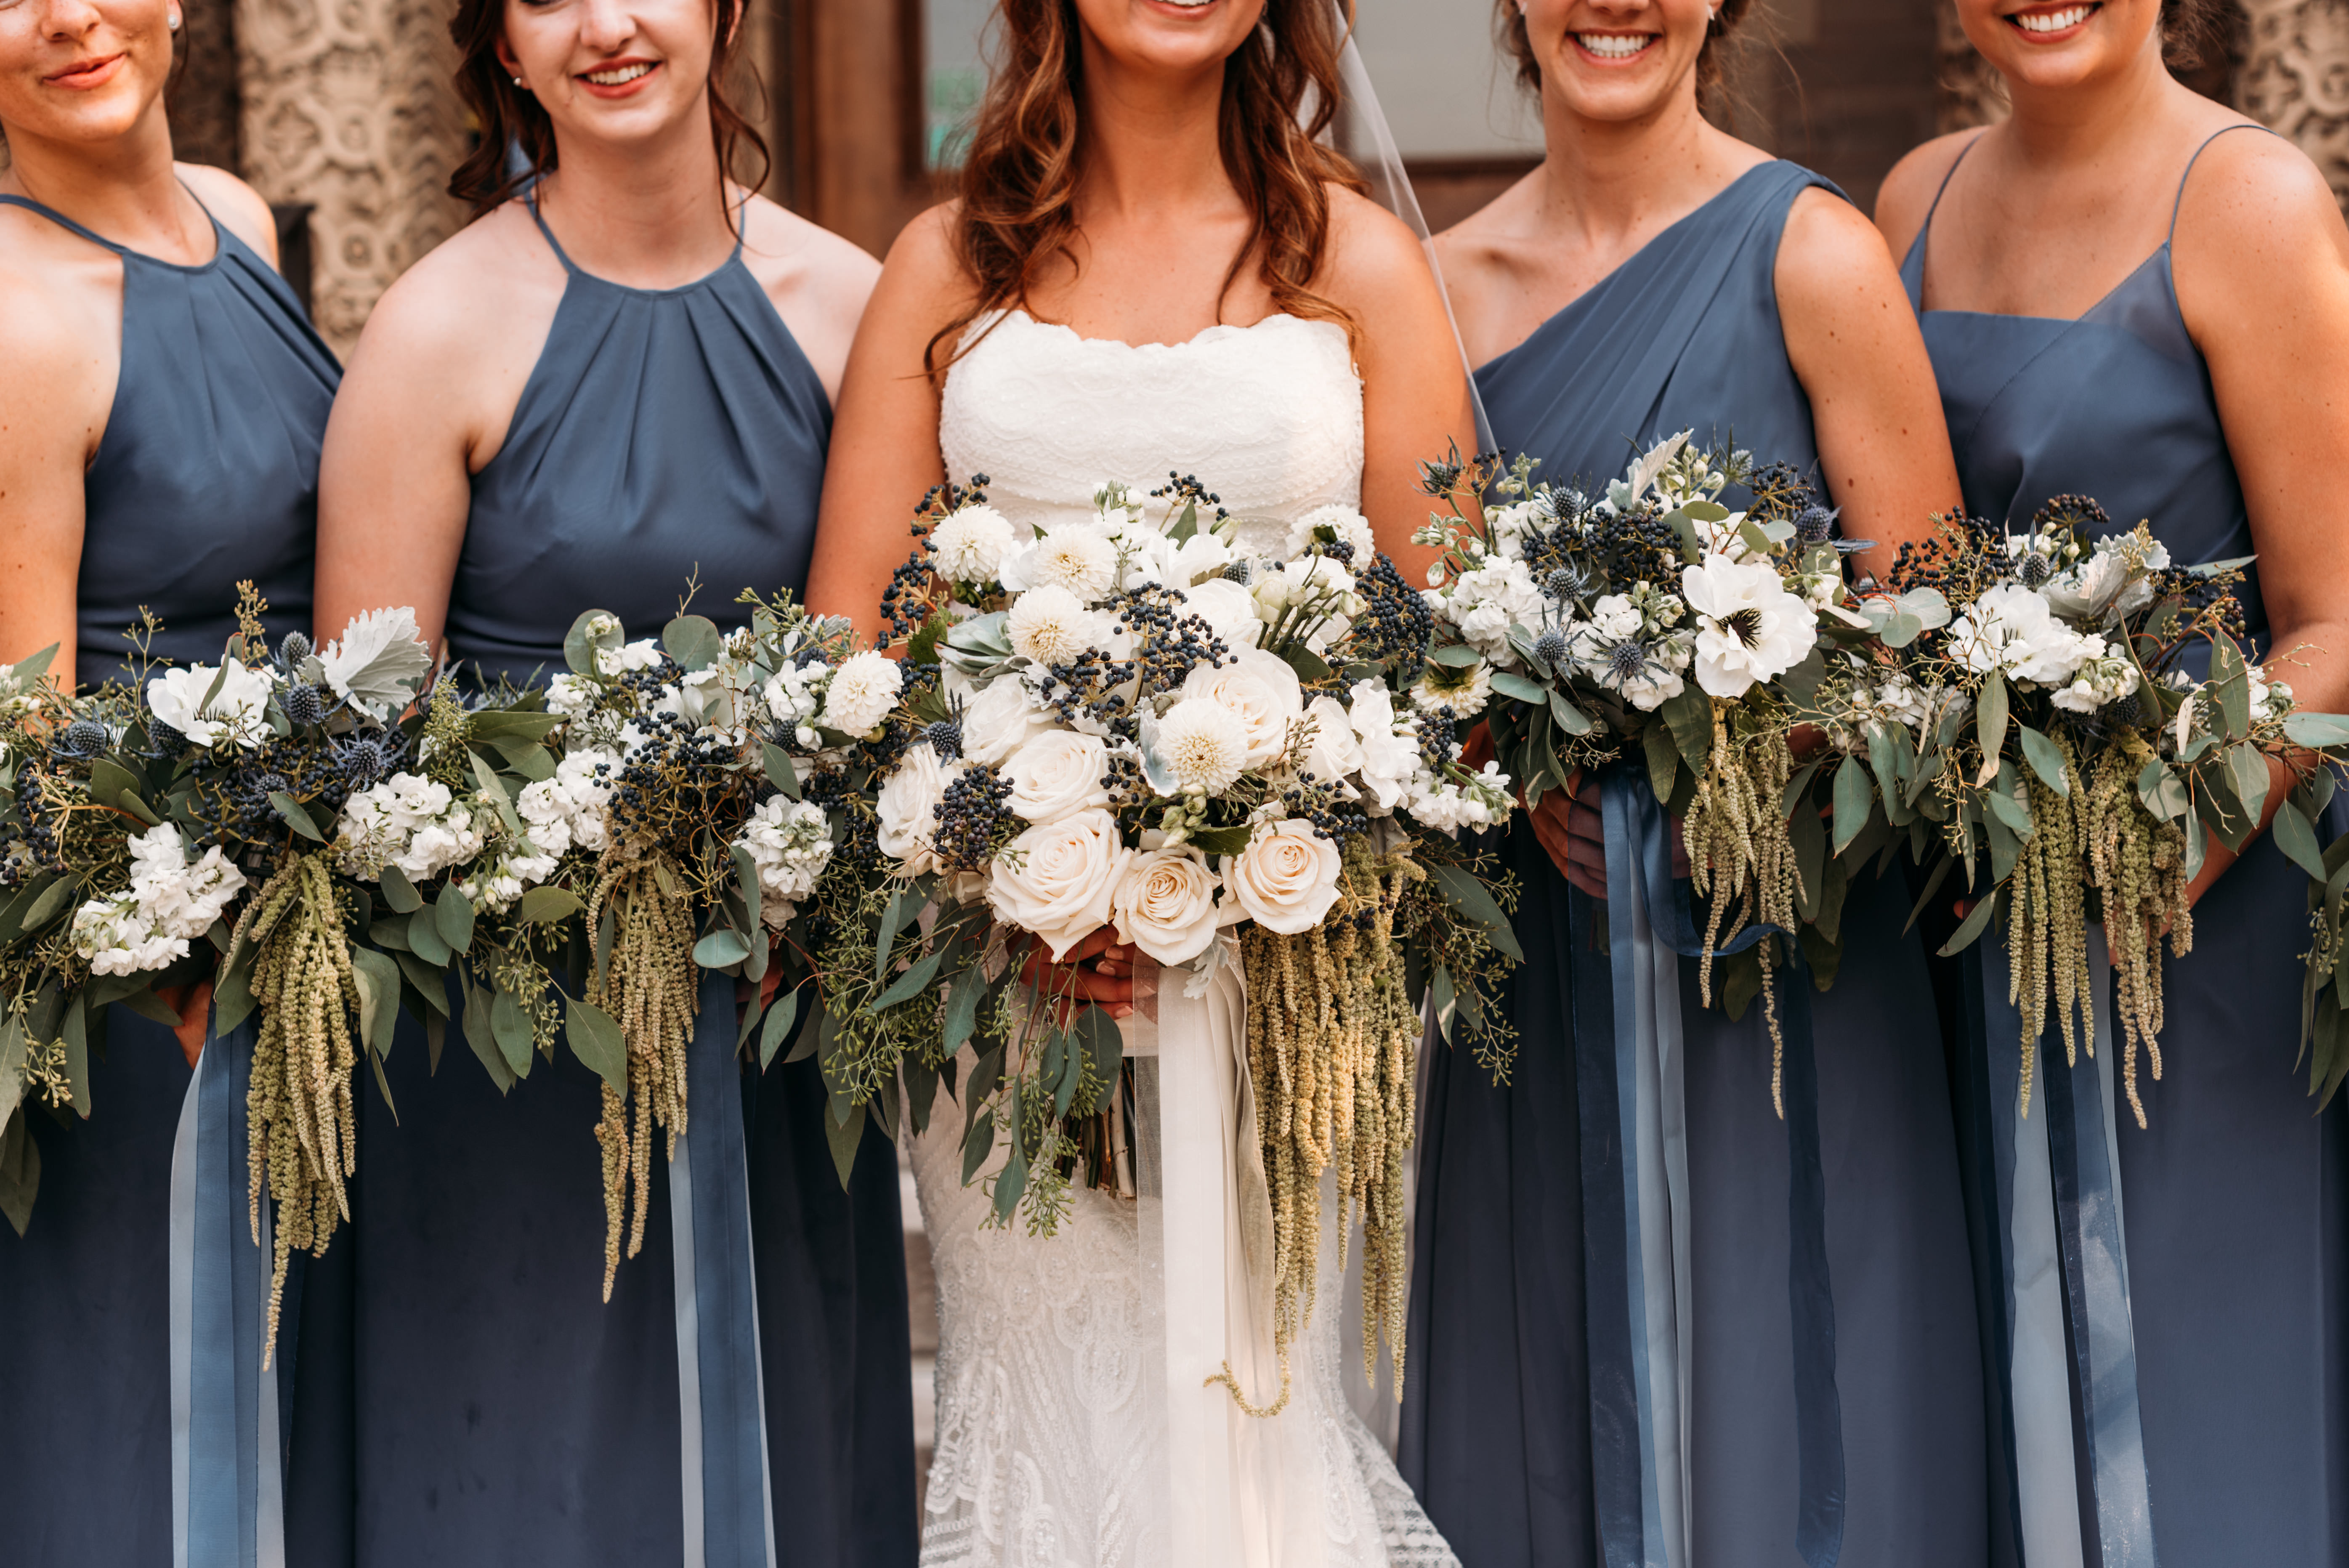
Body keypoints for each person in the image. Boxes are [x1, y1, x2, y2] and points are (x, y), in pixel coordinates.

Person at [805, 0, 1473, 1561]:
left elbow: (1446, 670)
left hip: (1291, 978)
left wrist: (1236, 877)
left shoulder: (1361, 268)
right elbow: (855, 658)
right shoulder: (946, 269)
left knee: (1258, 1420)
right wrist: (1025, 889)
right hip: (1005, 986)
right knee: (1054, 1424)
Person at [305, 0, 913, 1557]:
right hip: (517, 1040)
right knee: (538, 1474)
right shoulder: (435, 330)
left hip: (774, 1002)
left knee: (785, 1434)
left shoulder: (851, 304)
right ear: (505, 49)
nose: (609, 26)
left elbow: (891, 676)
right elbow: (368, 750)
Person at [1399, 4, 1987, 1565]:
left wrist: (1745, 766)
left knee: (1797, 1418)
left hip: (1786, 986)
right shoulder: (1439, 293)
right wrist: (1509, 765)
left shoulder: (1815, 256)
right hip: (1537, 978)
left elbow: (1938, 650)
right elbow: (1423, 665)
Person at [1876, 0, 2349, 1560]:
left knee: (2193, 1395)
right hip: (1964, 909)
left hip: (2196, 923)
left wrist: (2166, 841)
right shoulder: (1914, 195)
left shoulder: (2250, 201)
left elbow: (2340, 617)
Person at [0, 0, 340, 1555]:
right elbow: (27, 722)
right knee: (153, 1415)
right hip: (146, 969)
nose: (70, 19)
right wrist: (165, 966)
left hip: (301, 910)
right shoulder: (18, 315)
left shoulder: (237, 217)